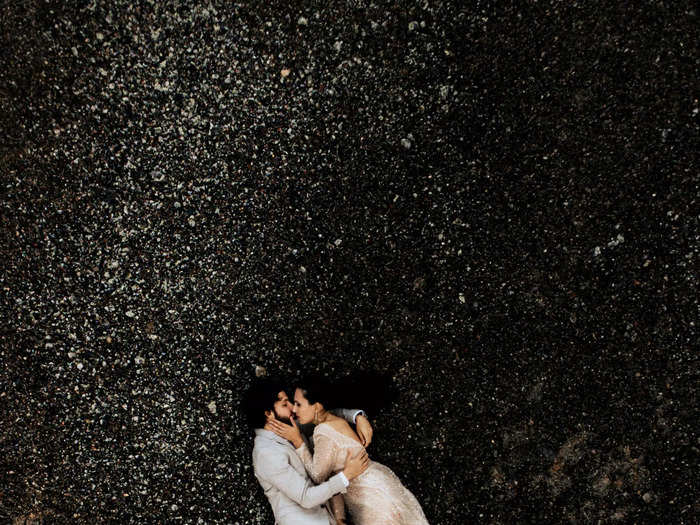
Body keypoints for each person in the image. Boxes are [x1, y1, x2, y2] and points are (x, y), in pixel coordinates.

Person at [267, 377, 430, 524]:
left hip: (369, 498)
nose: (294, 409)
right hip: (379, 484)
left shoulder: (322, 432)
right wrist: (340, 516)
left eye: (298, 404)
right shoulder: (331, 420)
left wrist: (298, 442)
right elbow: (332, 473)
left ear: (317, 406)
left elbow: (318, 475)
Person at [243, 377, 374, 525]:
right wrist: (347, 475)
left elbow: (322, 415)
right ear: (268, 414)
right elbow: (307, 498)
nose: (293, 408)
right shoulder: (266, 453)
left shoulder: (290, 427)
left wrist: (357, 417)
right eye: (285, 404)